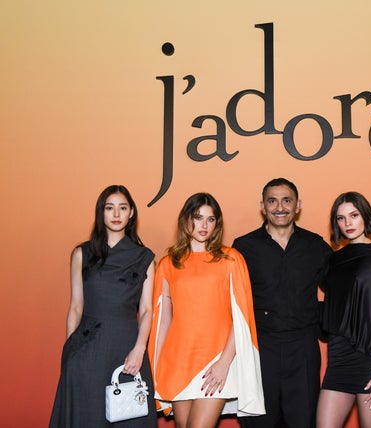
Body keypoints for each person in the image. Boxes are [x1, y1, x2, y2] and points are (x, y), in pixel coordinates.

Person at [147, 192, 265, 428]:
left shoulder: (231, 259)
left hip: (216, 360)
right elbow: (163, 321)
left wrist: (224, 363)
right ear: (186, 220)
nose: (204, 225)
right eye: (198, 217)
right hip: (178, 361)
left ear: (217, 224)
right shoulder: (168, 263)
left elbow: (241, 318)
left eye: (210, 219)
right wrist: (156, 370)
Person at [49, 185, 157, 428]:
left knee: (129, 419)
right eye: (110, 208)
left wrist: (139, 349)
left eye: (123, 208)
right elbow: (76, 307)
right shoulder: (82, 253)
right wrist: (70, 352)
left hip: (127, 350)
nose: (116, 214)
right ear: (101, 212)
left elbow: (146, 310)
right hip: (87, 350)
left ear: (131, 213)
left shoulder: (145, 258)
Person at [233, 178, 333, 428]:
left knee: (304, 420)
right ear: (263, 206)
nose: (280, 207)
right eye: (272, 201)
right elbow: (229, 298)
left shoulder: (315, 245)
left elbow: (341, 288)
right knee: (258, 421)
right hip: (259, 348)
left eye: (287, 200)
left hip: (303, 348)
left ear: (298, 205)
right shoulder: (243, 247)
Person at [317, 192, 371, 428]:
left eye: (354, 215)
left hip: (370, 358)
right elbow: (334, 305)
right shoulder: (333, 261)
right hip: (338, 356)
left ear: (365, 216)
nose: (348, 223)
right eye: (341, 218)